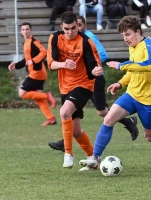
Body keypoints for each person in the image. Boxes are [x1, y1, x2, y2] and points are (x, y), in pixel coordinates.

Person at [79, 16, 151, 172]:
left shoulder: (149, 44)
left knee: (150, 136)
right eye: (123, 35)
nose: (125, 39)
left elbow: (149, 65)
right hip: (132, 94)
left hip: (150, 100)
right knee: (109, 118)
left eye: (128, 34)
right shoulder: (132, 46)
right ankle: (94, 158)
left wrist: (121, 65)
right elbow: (134, 69)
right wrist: (120, 83)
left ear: (138, 31)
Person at [48, 15, 139, 153]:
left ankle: (128, 122)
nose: (73, 30)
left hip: (92, 79)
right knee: (84, 112)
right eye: (69, 27)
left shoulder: (89, 38)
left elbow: (102, 54)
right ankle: (68, 141)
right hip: (77, 82)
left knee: (101, 111)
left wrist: (88, 65)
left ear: (83, 26)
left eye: (77, 26)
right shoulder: (67, 40)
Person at [47, 11, 104, 168]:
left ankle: (68, 154)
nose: (70, 32)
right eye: (67, 29)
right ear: (62, 27)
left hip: (84, 84)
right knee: (77, 130)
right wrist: (64, 64)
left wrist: (96, 71)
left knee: (64, 112)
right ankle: (95, 161)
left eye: (73, 28)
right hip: (65, 87)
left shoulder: (86, 41)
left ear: (78, 26)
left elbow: (93, 66)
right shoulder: (55, 38)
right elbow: (51, 63)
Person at [8, 22, 57, 126]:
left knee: (22, 93)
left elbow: (44, 52)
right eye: (23, 30)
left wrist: (34, 61)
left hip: (36, 73)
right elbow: (27, 59)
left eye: (27, 29)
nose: (25, 31)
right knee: (37, 97)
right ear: (21, 32)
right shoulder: (26, 43)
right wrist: (15, 65)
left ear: (31, 30)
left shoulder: (33, 41)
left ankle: (47, 95)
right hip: (39, 73)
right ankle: (51, 118)